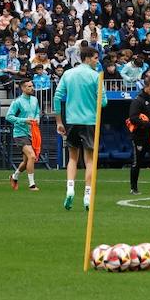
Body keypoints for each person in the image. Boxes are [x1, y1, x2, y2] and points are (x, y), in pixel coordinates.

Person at [54, 45, 101, 211]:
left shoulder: (68, 74)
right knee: (89, 160)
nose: (98, 61)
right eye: (95, 58)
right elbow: (104, 102)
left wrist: (59, 121)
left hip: (72, 120)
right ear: (87, 58)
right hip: (89, 121)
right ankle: (87, 195)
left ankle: (70, 189)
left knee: (72, 158)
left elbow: (57, 97)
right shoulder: (96, 76)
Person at [5, 76, 42, 191]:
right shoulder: (17, 102)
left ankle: (14, 176)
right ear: (23, 88)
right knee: (32, 156)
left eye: (32, 86)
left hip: (31, 133)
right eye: (29, 86)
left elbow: (37, 112)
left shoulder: (35, 100)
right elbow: (8, 117)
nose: (32, 88)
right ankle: (32, 184)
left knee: (26, 161)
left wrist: (37, 119)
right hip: (20, 133)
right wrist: (23, 120)